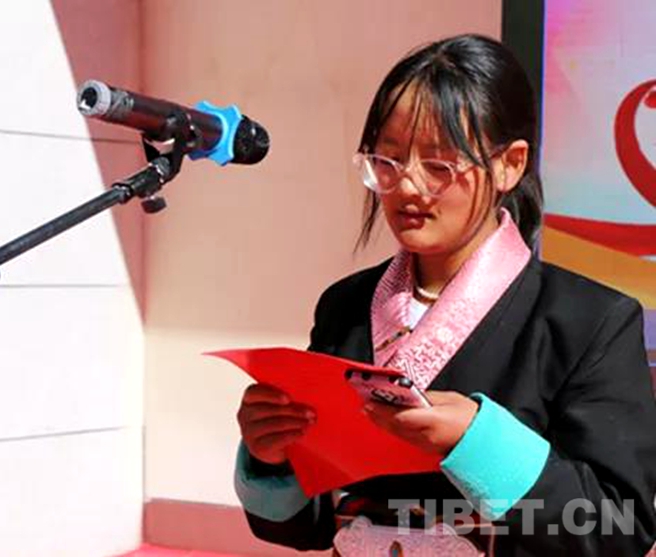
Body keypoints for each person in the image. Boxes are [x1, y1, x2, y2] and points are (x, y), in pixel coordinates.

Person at [233, 34, 656, 556]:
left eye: (439, 166)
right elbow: (311, 527)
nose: (407, 187)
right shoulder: (346, 307)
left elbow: (619, 528)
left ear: (510, 164)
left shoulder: (590, 323)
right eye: (388, 161)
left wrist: (478, 445)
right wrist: (271, 458)